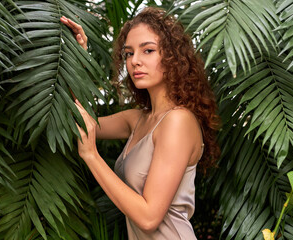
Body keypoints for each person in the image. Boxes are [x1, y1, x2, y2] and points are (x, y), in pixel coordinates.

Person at [60, 7, 219, 240]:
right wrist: (78, 59)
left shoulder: (178, 121)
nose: (135, 61)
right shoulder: (137, 119)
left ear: (173, 56)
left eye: (148, 50)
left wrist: (91, 155)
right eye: (128, 53)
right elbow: (77, 118)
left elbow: (148, 217)